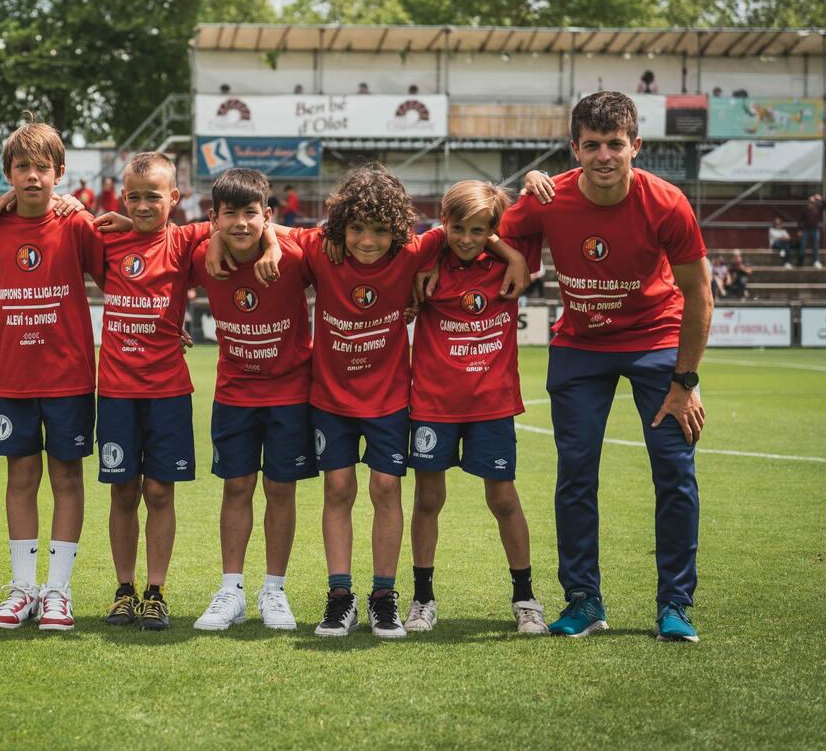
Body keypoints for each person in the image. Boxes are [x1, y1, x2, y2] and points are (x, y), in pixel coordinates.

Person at [514, 90, 711, 643]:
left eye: (615, 144)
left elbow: (699, 294)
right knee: (576, 474)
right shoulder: (549, 198)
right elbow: (488, 228)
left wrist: (685, 382)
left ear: (635, 146)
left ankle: (675, 604)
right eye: (593, 144)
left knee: (675, 473)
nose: (604, 155)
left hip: (656, 343)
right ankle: (584, 600)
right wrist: (524, 187)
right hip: (580, 346)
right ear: (574, 148)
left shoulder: (667, 202)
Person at [297, 165, 527, 639]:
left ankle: (384, 597)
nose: (367, 241)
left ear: (398, 232)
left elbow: (465, 228)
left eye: (380, 231)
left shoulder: (414, 250)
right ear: (340, 227)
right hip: (331, 396)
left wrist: (512, 254)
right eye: (356, 229)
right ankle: (340, 597)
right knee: (337, 488)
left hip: (389, 397)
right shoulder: (322, 248)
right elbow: (270, 230)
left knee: (386, 487)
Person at [406, 181, 547, 635]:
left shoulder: (509, 262)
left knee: (503, 499)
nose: (466, 239)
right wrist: (434, 254)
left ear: (492, 231)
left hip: (492, 403)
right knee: (428, 499)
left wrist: (510, 247)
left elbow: (539, 209)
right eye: (458, 228)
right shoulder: (426, 263)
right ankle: (422, 598)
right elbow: (416, 241)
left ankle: (525, 598)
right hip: (433, 403)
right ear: (444, 223)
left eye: (478, 231)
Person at [0, 121, 105, 632]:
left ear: (60, 173)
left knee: (66, 478)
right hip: (12, 376)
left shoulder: (77, 225)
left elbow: (119, 276)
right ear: (8, 173)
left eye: (42, 167)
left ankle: (58, 590)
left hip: (68, 376)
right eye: (22, 167)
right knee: (20, 478)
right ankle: (22, 588)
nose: (32, 177)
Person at [92, 152, 214, 631]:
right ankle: (124, 590)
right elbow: (62, 222)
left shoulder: (182, 242)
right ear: (123, 197)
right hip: (116, 389)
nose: (143, 206)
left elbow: (231, 224)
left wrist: (267, 238)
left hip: (167, 390)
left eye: (153, 197)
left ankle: (156, 592)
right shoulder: (106, 240)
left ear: (174, 197)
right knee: (123, 491)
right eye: (134, 197)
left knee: (160, 491)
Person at [191, 168, 311, 634]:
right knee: (236, 487)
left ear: (268, 215)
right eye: (229, 214)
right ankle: (232, 591)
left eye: (250, 213)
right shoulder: (203, 255)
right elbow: (163, 239)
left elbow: (327, 243)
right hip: (235, 393)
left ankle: (274, 590)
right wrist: (212, 240)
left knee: (281, 490)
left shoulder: (295, 256)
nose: (240, 223)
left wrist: (275, 243)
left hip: (290, 394)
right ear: (214, 218)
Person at [797, 193, 824, 268]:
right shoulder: (805, 210)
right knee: (803, 246)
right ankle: (800, 262)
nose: (812, 203)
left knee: (815, 247)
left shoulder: (818, 209)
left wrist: (821, 198)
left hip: (815, 230)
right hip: (806, 230)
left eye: (813, 202)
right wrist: (799, 230)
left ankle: (815, 261)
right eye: (811, 202)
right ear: (808, 202)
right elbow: (800, 221)